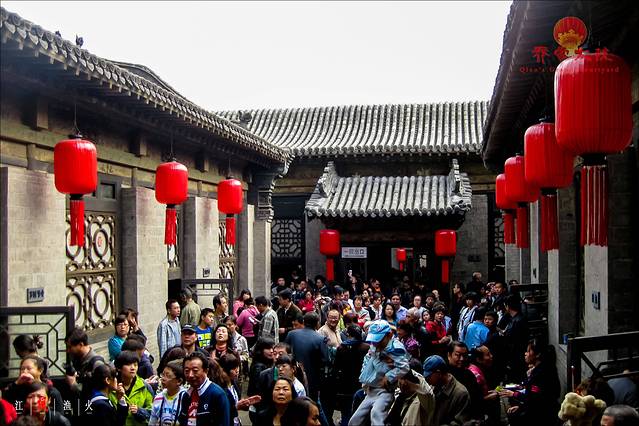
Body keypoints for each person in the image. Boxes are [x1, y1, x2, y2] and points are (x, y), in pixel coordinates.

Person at [348, 320, 409, 426]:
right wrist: (365, 373)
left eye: (378, 339)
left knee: (376, 414)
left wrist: (389, 376)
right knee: (355, 420)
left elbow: (404, 367)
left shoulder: (395, 348)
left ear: (389, 335)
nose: (376, 343)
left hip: (385, 391)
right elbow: (367, 357)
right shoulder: (374, 345)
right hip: (371, 389)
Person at [499, 339, 560, 426]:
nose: (525, 354)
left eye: (528, 351)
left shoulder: (541, 374)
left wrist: (514, 394)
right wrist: (522, 407)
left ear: (538, 354)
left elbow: (535, 400)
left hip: (542, 417)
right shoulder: (544, 368)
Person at [285, 313, 329, 402]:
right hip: (312, 379)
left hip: (292, 374)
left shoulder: (292, 334)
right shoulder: (320, 339)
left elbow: (285, 352)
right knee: (309, 402)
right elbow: (326, 360)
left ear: (304, 322)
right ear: (317, 323)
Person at [178, 352, 230, 426]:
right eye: (187, 371)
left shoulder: (217, 394)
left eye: (195, 370)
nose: (190, 375)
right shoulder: (186, 396)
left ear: (206, 371)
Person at [334, 325, 369, 426]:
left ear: (348, 334)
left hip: (345, 385)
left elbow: (336, 367)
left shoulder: (341, 348)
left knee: (346, 413)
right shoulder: (366, 347)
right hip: (361, 384)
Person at [64, 327, 105, 413]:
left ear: (81, 345)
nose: (68, 351)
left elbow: (99, 393)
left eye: (70, 347)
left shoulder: (97, 364)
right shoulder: (77, 359)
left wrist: (73, 384)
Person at [422, 355, 471, 425]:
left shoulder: (461, 394)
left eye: (429, 377)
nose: (427, 380)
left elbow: (459, 422)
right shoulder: (433, 386)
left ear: (438, 373)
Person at [110, 350, 153, 426]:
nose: (133, 368)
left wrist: (140, 411)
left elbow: (153, 413)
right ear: (119, 368)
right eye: (128, 365)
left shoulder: (144, 386)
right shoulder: (111, 387)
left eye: (135, 365)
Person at [446, 341, 483, 421]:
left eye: (464, 355)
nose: (462, 359)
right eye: (458, 355)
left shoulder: (469, 375)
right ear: (449, 355)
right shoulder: (444, 375)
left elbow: (477, 399)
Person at [468, 345, 500, 424]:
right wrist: (489, 397)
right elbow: (473, 400)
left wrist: (489, 393)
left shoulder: (480, 369)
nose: (491, 356)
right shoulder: (475, 375)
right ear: (479, 359)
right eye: (488, 355)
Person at [148, 359, 186, 426]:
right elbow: (152, 421)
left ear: (179, 381)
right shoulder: (158, 398)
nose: (163, 378)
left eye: (168, 376)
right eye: (163, 374)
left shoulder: (185, 398)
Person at [502, 294, 529, 383]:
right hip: (515, 356)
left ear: (508, 306)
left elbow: (516, 341)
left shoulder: (518, 320)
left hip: (516, 357)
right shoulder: (515, 319)